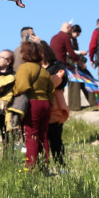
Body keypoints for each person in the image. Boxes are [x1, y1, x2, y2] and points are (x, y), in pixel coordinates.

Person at [13, 41, 53, 169]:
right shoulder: (43, 70)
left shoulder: (24, 68)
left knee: (31, 136)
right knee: (44, 135)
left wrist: (13, 91)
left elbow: (22, 86)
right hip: (45, 104)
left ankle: (31, 167)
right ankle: (44, 166)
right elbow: (51, 90)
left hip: (32, 104)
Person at [41, 41, 69, 170]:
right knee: (42, 139)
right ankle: (42, 166)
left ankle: (60, 166)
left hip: (55, 106)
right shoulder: (35, 67)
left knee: (56, 138)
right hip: (41, 105)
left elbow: (63, 82)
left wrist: (50, 82)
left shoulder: (57, 65)